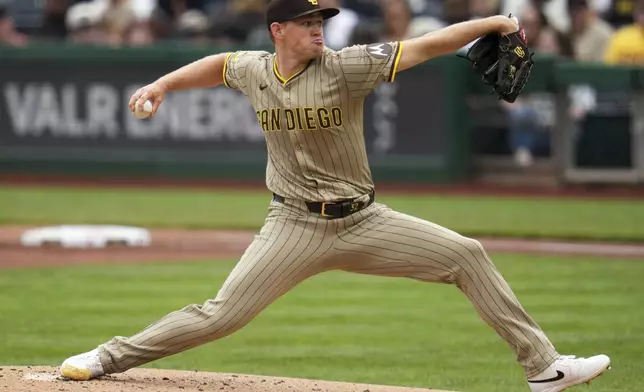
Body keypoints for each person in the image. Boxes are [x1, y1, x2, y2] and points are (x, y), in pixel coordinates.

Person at [59, 1, 611, 391]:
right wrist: (161, 86)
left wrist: (494, 22)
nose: (319, 28)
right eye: (306, 21)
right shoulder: (254, 69)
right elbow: (214, 65)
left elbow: (426, 45)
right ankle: (109, 356)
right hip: (293, 227)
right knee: (221, 316)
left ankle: (544, 367)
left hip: (364, 221)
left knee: (467, 253)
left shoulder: (348, 67)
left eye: (321, 19)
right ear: (278, 30)